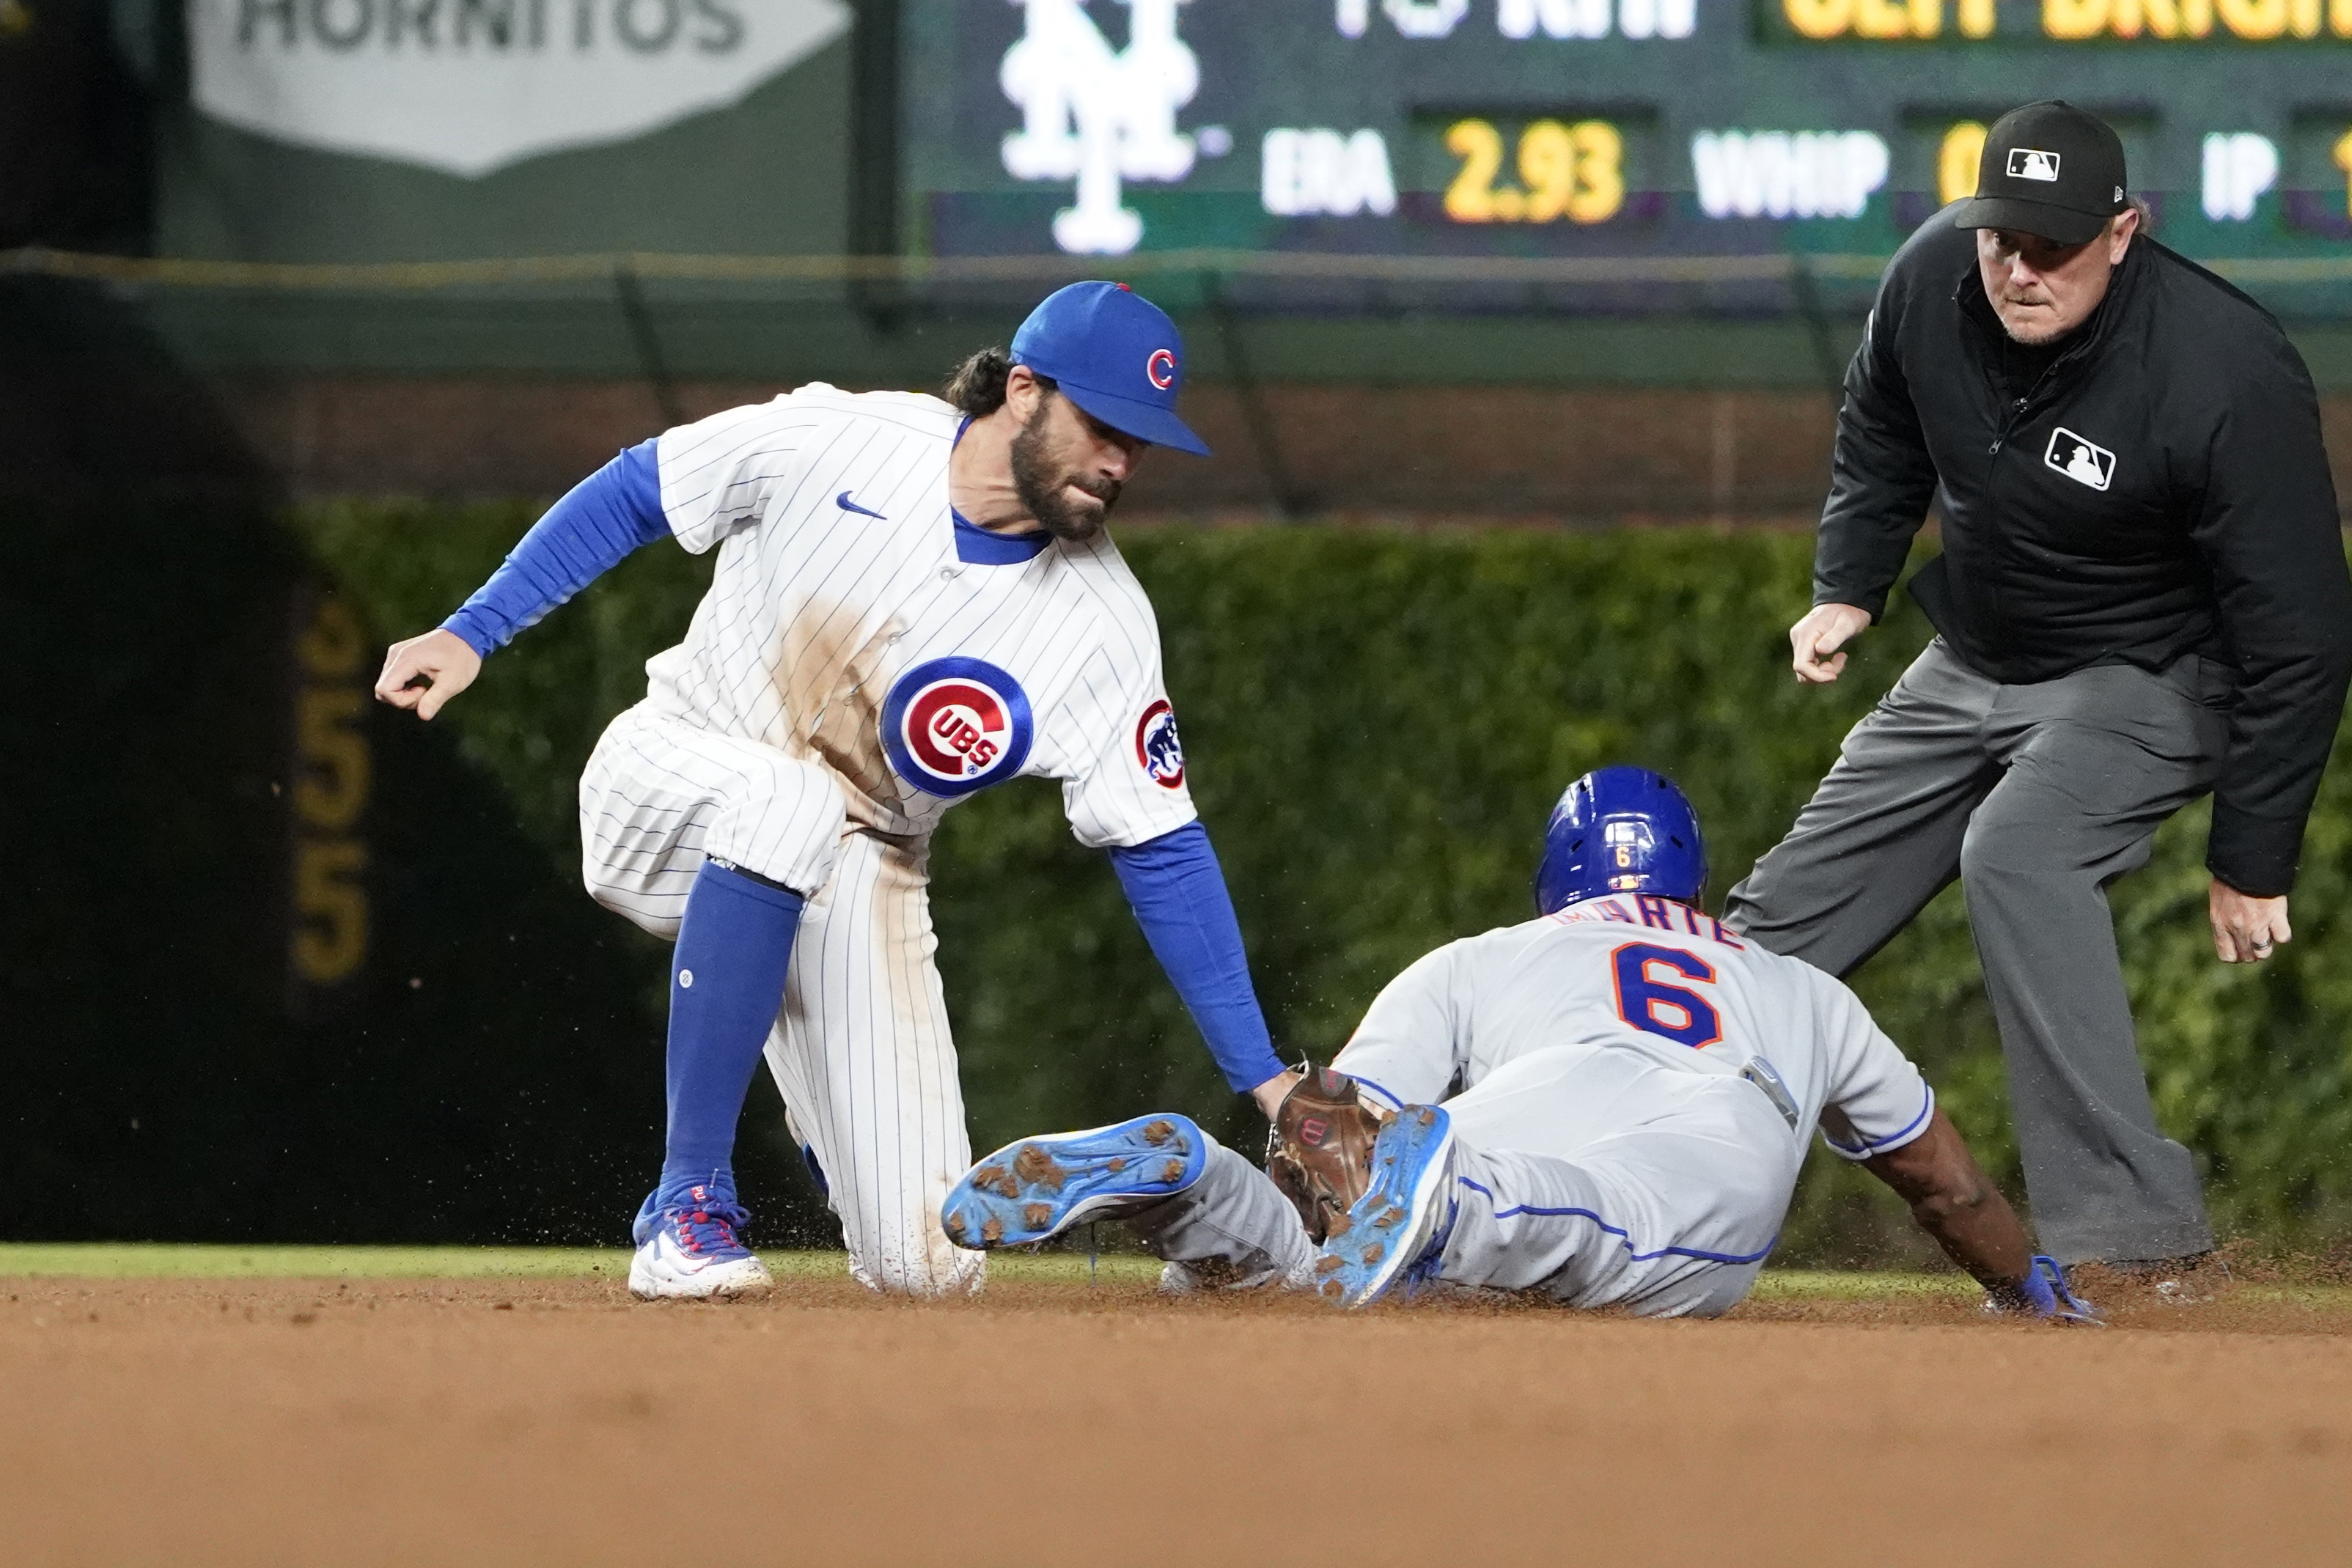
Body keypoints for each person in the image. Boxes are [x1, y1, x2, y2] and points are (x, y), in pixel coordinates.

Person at [373, 282, 1298, 1300]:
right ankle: (685, 1204)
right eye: (1103, 426)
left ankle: (835, 1122)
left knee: (931, 1269)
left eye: (1141, 443)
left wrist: (1264, 1078)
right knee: (788, 805)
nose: (1122, 461)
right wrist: (472, 630)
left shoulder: (1101, 622)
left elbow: (1161, 846)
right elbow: (640, 488)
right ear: (1023, 390)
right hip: (672, 772)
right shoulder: (842, 440)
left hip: (863, 870)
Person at [1721, 100, 2352, 1296]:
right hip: (1977, 656)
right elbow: (1882, 427)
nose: (2020, 268)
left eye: (2054, 244)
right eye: (2002, 236)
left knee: (2019, 853)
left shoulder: (2224, 369)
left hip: (2155, 673)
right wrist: (1850, 585)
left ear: (2125, 231)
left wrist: (2253, 855)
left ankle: (2137, 1245)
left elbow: (2303, 632)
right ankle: (1610, 1181)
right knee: (1771, 933)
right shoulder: (1927, 285)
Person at [938, 767, 2094, 1321]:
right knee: (1589, 1226)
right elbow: (1943, 1185)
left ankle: (1194, 1188)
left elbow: (1332, 1136)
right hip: (1706, 1135)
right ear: (1693, 879)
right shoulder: (1798, 987)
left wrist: (1317, 1163)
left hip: (1501, 1117)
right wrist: (2027, 1288)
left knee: (1360, 1242)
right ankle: (1446, 1203)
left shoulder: (1484, 955)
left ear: (1559, 881)